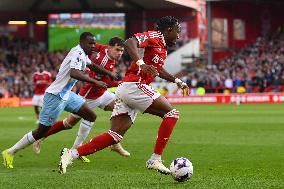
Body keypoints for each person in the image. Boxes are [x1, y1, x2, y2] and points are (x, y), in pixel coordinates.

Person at [58, 16, 189, 175]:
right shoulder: (155, 36)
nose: (178, 36)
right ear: (169, 30)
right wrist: (141, 64)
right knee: (172, 114)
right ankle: (155, 159)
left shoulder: (162, 47)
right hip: (135, 85)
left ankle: (70, 155)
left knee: (115, 135)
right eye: (177, 31)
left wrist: (177, 80)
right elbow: (129, 42)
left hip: (128, 88)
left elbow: (157, 70)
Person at [2, 32, 116, 169]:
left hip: (67, 95)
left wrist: (108, 73)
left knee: (91, 115)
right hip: (55, 96)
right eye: (90, 43)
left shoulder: (83, 54)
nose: (93, 46)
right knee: (41, 131)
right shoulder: (77, 53)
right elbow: (74, 73)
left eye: (94, 43)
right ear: (82, 42)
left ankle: (76, 149)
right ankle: (10, 152)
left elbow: (91, 65)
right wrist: (95, 81)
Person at [33, 37, 130, 163]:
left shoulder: (106, 50)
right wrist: (122, 82)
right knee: (68, 123)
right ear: (111, 47)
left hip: (101, 94)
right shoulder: (102, 61)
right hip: (89, 95)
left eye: (122, 51)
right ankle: (47, 140)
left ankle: (114, 141)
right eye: (118, 50)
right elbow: (104, 83)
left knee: (124, 106)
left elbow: (97, 46)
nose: (120, 53)